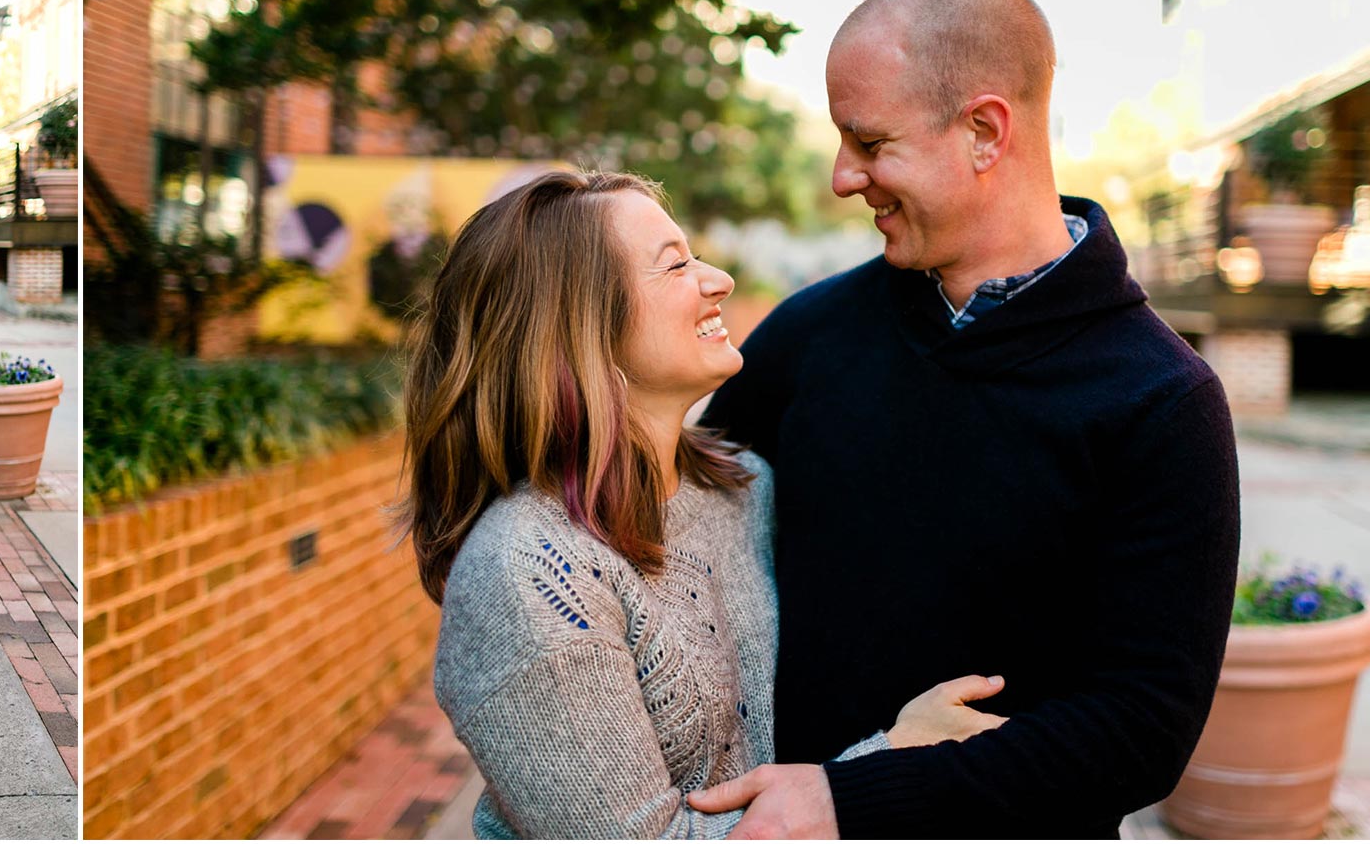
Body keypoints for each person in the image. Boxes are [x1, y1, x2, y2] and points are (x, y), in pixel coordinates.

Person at [690, 0, 1242, 838]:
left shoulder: (1163, 400)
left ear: (986, 132)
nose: (841, 176)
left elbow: (1142, 731)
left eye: (870, 144)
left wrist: (851, 801)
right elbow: (671, 532)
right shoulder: (809, 336)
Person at [405, 170, 1008, 839]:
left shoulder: (742, 487)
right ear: (580, 327)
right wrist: (891, 761)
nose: (717, 278)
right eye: (676, 265)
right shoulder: (531, 573)